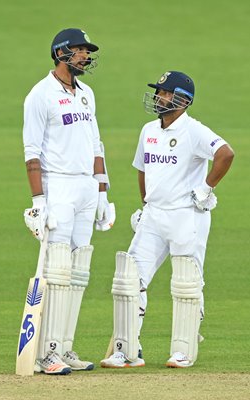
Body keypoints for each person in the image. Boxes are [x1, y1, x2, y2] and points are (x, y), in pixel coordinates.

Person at [100, 70, 234, 369]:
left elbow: (226, 154)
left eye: (164, 93)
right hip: (154, 218)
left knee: (186, 283)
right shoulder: (148, 129)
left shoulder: (194, 130)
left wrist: (204, 189)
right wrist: (146, 203)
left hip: (187, 216)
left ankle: (183, 349)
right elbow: (142, 168)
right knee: (129, 279)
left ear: (182, 100)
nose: (158, 97)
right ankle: (127, 350)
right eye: (158, 92)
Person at [22, 28, 115, 375]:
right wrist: (38, 200)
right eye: (79, 51)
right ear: (61, 53)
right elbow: (31, 153)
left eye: (87, 52)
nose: (85, 57)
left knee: (78, 272)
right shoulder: (39, 95)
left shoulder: (87, 93)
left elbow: (96, 144)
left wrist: (103, 191)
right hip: (57, 185)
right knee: (57, 271)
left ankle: (64, 347)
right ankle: (46, 352)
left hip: (86, 189)